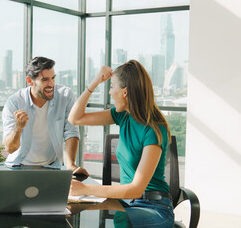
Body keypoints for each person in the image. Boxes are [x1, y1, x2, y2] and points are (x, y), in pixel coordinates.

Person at [68, 60, 174, 227]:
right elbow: (75, 118)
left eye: (111, 87)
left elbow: (137, 189)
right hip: (126, 203)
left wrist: (85, 189)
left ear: (125, 92)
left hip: (153, 207)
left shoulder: (153, 129)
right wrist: (96, 81)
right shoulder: (122, 116)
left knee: (120, 221)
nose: (110, 92)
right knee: (73, 211)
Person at [2, 56, 89, 176]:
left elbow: (71, 132)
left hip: (52, 167)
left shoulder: (65, 96)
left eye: (53, 78)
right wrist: (18, 128)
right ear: (30, 81)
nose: (51, 84)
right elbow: (10, 148)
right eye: (44, 80)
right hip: (18, 167)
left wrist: (71, 165)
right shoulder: (14, 102)